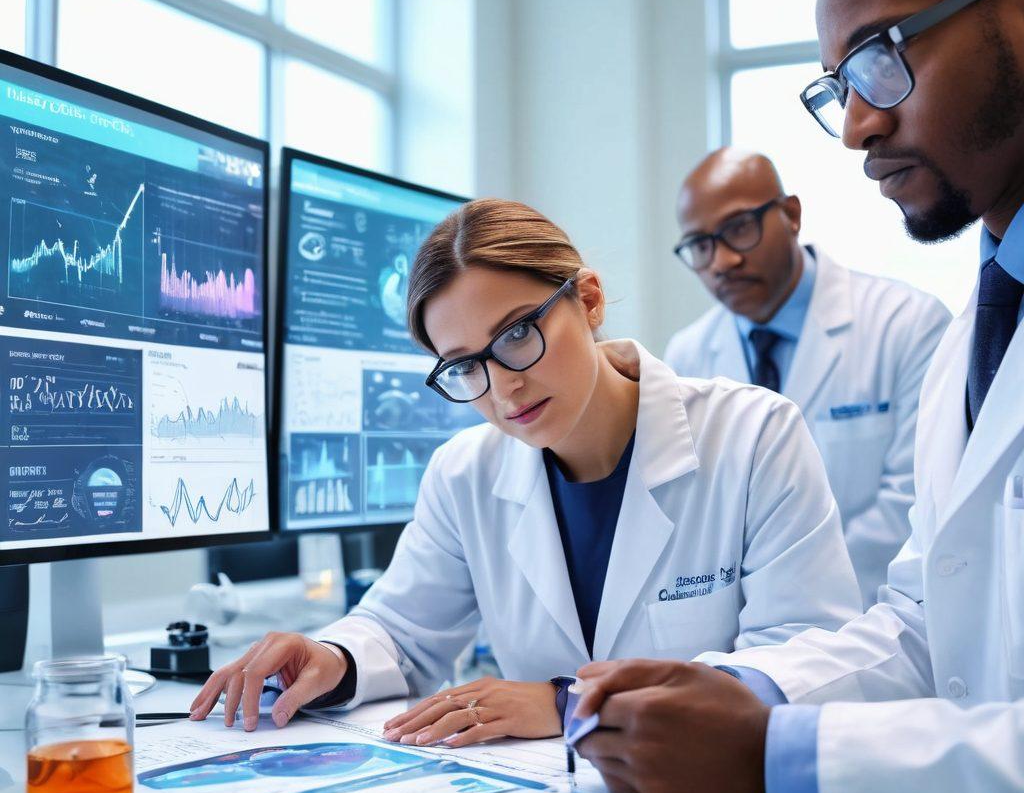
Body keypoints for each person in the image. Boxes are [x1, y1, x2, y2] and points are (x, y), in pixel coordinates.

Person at [573, 0, 1024, 793]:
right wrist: (748, 688)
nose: (859, 124)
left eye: (882, 57)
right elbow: (926, 619)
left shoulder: (906, 324)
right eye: (839, 88)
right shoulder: (980, 329)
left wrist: (777, 758)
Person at [191, 198, 861, 746]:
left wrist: (571, 703)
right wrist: (332, 658)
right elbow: (401, 632)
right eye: (466, 366)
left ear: (589, 301)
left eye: (517, 334)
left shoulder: (753, 435)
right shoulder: (465, 473)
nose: (504, 387)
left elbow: (807, 663)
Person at [664, 147, 949, 605]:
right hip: (738, 626)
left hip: (876, 612)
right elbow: (691, 518)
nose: (721, 262)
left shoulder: (908, 324)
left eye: (739, 229)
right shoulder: (687, 356)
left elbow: (915, 502)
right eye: (700, 245)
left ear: (791, 216)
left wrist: (786, 594)